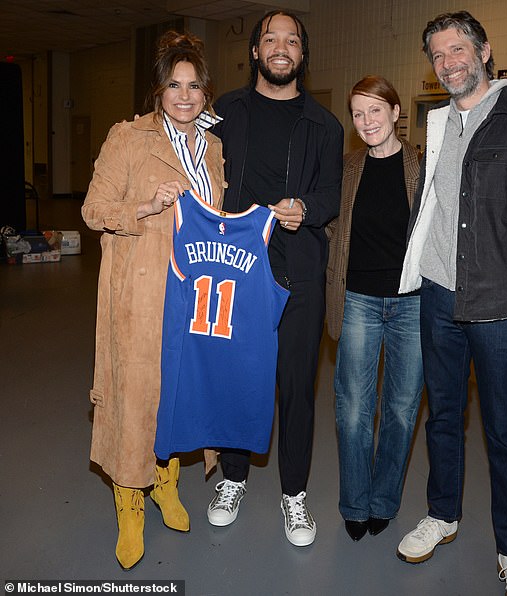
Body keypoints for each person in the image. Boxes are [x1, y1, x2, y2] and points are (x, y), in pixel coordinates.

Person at [396, 11, 507, 596]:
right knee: (443, 417)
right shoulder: (440, 123)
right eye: (438, 55)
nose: (448, 63)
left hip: (501, 308)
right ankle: (442, 514)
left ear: (484, 51)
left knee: (505, 434)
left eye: (457, 50)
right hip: (439, 299)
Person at [82, 31, 226, 569]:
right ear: (158, 91)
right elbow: (94, 211)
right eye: (174, 85)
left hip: (195, 295)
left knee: (180, 396)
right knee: (136, 397)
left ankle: (165, 483)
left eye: (194, 86)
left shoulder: (212, 145)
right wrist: (145, 205)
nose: (185, 96)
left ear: (205, 91)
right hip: (140, 294)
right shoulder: (128, 138)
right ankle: (130, 502)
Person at [207, 10, 343, 547]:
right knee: (239, 377)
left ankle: (294, 495)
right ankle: (233, 479)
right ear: (255, 52)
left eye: (292, 41)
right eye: (271, 39)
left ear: (303, 55)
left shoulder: (325, 125)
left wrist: (306, 207)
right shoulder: (222, 114)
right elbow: (190, 163)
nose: (281, 48)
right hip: (234, 272)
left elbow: (331, 194)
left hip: (299, 272)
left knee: (296, 388)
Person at [325, 75, 423, 542]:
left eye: (375, 111)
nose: (366, 122)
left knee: (402, 411)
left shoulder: (423, 168)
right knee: (353, 410)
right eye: (358, 114)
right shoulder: (346, 169)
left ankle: (384, 501)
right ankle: (355, 503)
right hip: (359, 299)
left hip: (412, 305)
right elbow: (329, 222)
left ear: (396, 113)